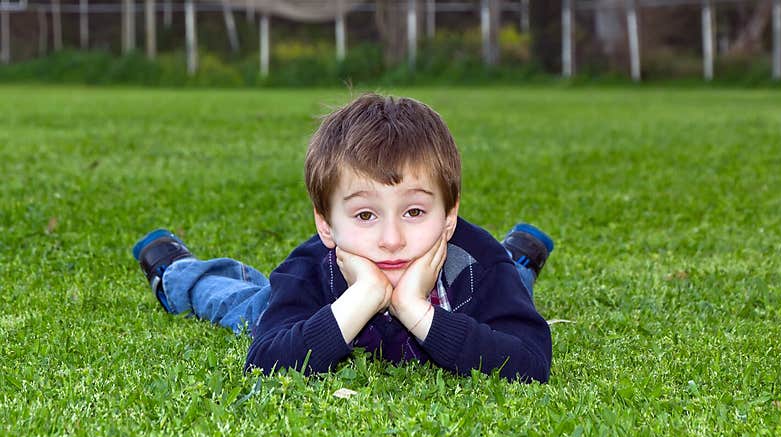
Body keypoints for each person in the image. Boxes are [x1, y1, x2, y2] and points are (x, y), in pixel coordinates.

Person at [132, 93, 554, 382]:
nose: (392, 239)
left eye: (414, 211)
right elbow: (264, 363)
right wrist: (361, 298)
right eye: (366, 214)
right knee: (242, 305)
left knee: (505, 286)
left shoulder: (475, 263)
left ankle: (514, 259)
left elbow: (530, 362)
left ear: (449, 216)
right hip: (315, 304)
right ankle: (178, 273)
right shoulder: (310, 270)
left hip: (471, 272)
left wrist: (415, 310)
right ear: (326, 225)